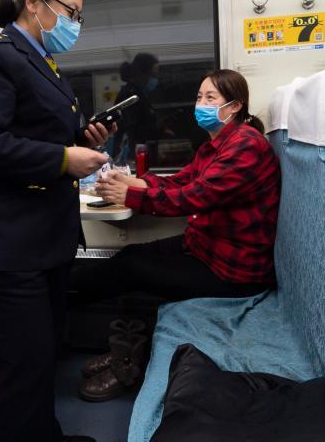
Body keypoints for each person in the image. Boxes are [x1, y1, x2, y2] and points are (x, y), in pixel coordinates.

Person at [0, 0, 112, 442]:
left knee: (41, 359)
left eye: (79, 16)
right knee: (21, 370)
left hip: (40, 242)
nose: (75, 24)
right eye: (70, 11)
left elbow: (31, 134)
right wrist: (63, 159)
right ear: (33, 1)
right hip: (4, 247)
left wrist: (80, 138)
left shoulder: (45, 65)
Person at [69, 69, 281, 401]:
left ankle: (73, 313)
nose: (201, 104)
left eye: (211, 98)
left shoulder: (246, 146)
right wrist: (136, 183)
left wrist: (131, 195)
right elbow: (181, 181)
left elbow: (193, 197)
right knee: (130, 258)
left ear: (236, 105)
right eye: (199, 97)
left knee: (132, 269)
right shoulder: (215, 147)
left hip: (233, 272)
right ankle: (115, 341)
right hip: (204, 247)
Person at [110, 53, 160, 161]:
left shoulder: (139, 94)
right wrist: (156, 128)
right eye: (153, 75)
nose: (155, 79)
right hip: (132, 156)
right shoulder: (130, 97)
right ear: (141, 74)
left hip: (139, 152)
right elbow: (132, 130)